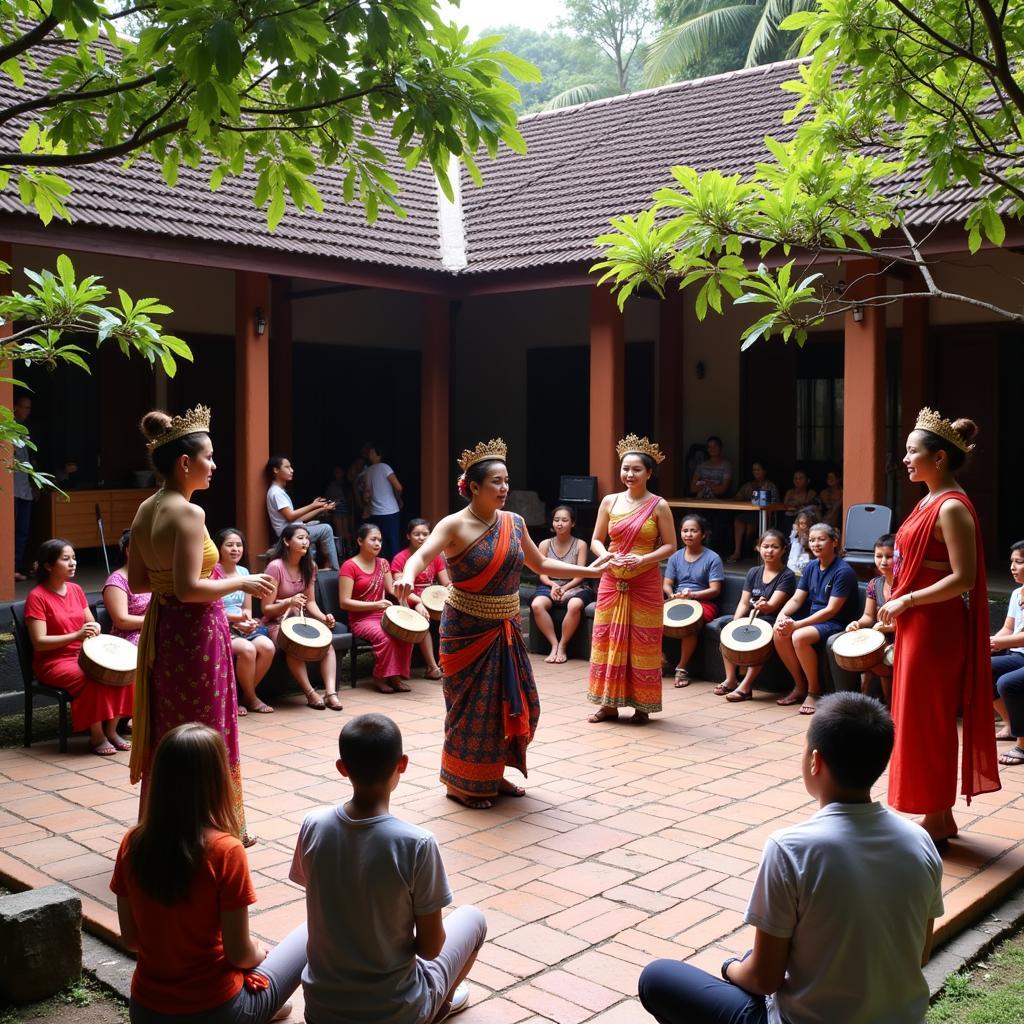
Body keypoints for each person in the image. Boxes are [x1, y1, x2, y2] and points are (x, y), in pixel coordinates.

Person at [638, 693, 944, 1024]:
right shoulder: (920, 841)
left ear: (815, 761)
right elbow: (921, 953)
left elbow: (763, 979)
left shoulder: (790, 848)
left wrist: (730, 968)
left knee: (657, 977)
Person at [393, 438, 609, 809]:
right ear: (473, 487)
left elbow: (540, 566)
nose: (504, 487)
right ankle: (461, 783)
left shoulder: (514, 522)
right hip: (465, 631)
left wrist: (588, 570)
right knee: (469, 711)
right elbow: (421, 556)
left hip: (506, 626)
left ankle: (494, 772)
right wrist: (407, 576)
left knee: (513, 702)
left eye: (506, 480)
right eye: (496, 481)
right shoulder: (453, 525)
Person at [129, 406, 275, 839]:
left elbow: (139, 579)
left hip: (163, 629)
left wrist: (174, 588)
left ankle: (168, 822)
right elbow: (191, 588)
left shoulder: (145, 509)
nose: (214, 465)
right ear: (184, 463)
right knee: (208, 724)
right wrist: (242, 582)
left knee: (171, 725)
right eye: (208, 457)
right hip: (195, 632)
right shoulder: (190, 514)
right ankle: (214, 823)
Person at [290, 714, 487, 1024]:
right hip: (396, 1013)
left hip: (322, 1011)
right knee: (474, 919)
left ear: (342, 768)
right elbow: (431, 948)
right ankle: (437, 1007)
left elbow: (322, 894)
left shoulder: (313, 825)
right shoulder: (417, 844)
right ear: (403, 764)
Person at [112, 723, 306, 1024]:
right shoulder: (225, 850)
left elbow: (131, 939)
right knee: (308, 932)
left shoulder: (132, 842)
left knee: (279, 1006)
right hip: (215, 1009)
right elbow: (239, 953)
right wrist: (259, 955)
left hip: (146, 1009)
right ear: (217, 781)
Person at [878, 408, 999, 844]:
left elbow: (963, 577)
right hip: (918, 622)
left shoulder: (951, 507)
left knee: (930, 719)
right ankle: (937, 813)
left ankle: (938, 814)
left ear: (940, 457)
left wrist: (907, 597)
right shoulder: (928, 498)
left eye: (913, 451)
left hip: (936, 626)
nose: (905, 458)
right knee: (915, 718)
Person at [588, 435, 676, 724]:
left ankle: (643, 706)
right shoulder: (609, 502)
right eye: (625, 468)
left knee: (643, 644)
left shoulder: (659, 505)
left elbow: (670, 546)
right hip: (612, 581)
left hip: (645, 582)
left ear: (649, 473)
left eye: (637, 469)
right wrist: (607, 557)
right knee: (606, 640)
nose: (629, 474)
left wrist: (643, 559)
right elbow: (596, 541)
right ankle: (608, 705)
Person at [26, 538, 134, 755]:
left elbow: (89, 621)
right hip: (53, 661)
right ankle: (96, 736)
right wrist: (76, 635)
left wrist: (93, 626)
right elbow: (39, 642)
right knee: (92, 678)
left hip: (83, 654)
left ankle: (112, 731)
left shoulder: (75, 589)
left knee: (122, 672)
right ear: (48, 565)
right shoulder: (37, 597)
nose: (73, 563)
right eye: (66, 559)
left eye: (74, 558)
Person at [773, 523, 857, 716]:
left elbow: (831, 610)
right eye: (812, 540)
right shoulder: (811, 566)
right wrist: (781, 617)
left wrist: (797, 624)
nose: (815, 544)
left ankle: (814, 691)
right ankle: (800, 685)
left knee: (798, 636)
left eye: (821, 539)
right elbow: (796, 598)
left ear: (834, 541)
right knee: (779, 632)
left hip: (836, 623)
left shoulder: (843, 571)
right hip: (814, 619)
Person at [262, 523, 342, 711]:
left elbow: (310, 602)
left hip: (300, 620)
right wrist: (289, 602)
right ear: (286, 541)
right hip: (277, 623)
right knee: (294, 646)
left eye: (307, 538)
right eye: (300, 538)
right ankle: (310, 692)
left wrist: (324, 617)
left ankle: (330, 693)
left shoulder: (310, 566)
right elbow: (267, 609)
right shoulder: (275, 567)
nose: (305, 542)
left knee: (327, 645)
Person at [714, 529, 796, 702]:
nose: (769, 551)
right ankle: (730, 679)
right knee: (725, 626)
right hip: (752, 617)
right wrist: (735, 622)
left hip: (771, 619)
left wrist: (765, 605)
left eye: (774, 547)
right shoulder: (753, 572)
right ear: (758, 548)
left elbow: (773, 605)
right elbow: (744, 603)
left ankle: (746, 686)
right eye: (765, 546)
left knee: (758, 637)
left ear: (783, 550)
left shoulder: (786, 575)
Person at [339, 523, 414, 694]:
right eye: (373, 539)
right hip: (361, 619)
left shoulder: (383, 563)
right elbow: (344, 602)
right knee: (386, 637)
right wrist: (375, 605)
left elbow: (392, 590)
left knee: (405, 633)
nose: (378, 544)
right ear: (360, 541)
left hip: (383, 615)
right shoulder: (349, 566)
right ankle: (380, 677)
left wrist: (404, 587)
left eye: (379, 540)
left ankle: (395, 677)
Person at [215, 528, 277, 715]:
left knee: (267, 647)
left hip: (242, 625)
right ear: (219, 548)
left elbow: (247, 608)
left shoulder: (244, 572)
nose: (235, 549)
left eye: (239, 545)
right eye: (230, 545)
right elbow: (213, 610)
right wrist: (237, 621)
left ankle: (241, 696)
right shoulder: (213, 573)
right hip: (222, 625)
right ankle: (250, 697)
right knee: (248, 650)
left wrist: (247, 621)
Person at [662, 514, 724, 688]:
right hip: (677, 600)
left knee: (690, 624)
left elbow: (715, 590)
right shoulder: (675, 557)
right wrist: (671, 594)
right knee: (649, 618)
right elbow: (667, 584)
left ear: (703, 534)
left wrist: (693, 595)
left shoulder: (713, 558)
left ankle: (681, 668)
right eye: (685, 530)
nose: (688, 534)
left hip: (702, 602)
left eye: (693, 531)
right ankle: (660, 659)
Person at [529, 505, 595, 664]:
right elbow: (541, 571)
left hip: (575, 586)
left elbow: (581, 573)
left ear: (572, 523)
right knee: (537, 605)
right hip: (550, 584)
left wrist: (565, 588)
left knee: (574, 605)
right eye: (556, 520)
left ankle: (563, 646)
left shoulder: (580, 544)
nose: (559, 524)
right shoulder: (544, 544)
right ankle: (554, 644)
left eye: (564, 520)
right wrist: (553, 586)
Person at [390, 518, 451, 680]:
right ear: (408, 536)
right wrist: (418, 602)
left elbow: (446, 583)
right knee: (422, 616)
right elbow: (401, 587)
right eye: (416, 534)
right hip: (409, 598)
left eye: (425, 534)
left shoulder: (436, 557)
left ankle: (450, 662)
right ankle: (432, 667)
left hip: (432, 599)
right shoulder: (400, 558)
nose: (421, 538)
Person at [843, 534, 895, 703]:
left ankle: (889, 703)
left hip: (902, 636)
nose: (883, 561)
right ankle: (870, 700)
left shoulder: (907, 584)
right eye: (879, 556)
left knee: (882, 657)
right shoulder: (875, 584)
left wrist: (890, 628)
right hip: (882, 636)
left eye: (890, 556)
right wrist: (857, 623)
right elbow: (868, 616)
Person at [265, 455, 338, 570]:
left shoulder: (278, 491)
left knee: (318, 524)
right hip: (288, 533)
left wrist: (321, 508)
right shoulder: (276, 493)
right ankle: (334, 568)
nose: (291, 470)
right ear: (276, 470)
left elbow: (298, 518)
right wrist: (312, 505)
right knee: (326, 529)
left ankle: (327, 566)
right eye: (287, 467)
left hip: (294, 528)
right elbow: (290, 516)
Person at [992, 540, 1024, 769]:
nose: (1013, 567)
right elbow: (1008, 629)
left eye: (1019, 562)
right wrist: (990, 642)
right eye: (1012, 562)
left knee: (1008, 683)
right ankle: (1013, 726)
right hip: (1018, 654)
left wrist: (996, 641)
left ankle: (1023, 743)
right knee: (980, 669)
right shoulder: (1016, 594)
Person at [104, 530, 152, 646]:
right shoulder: (116, 581)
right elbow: (122, 620)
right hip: (129, 637)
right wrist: (154, 621)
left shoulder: (153, 575)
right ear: (128, 551)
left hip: (151, 629)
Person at [728, 461, 780, 563]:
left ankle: (751, 552)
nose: (756, 472)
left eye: (758, 470)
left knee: (750, 526)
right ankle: (737, 551)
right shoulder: (748, 485)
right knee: (739, 520)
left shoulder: (770, 486)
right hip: (749, 513)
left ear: (764, 471)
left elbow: (775, 502)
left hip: (764, 515)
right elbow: (737, 497)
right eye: (754, 470)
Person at [362, 444, 403, 560]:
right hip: (390, 510)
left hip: (376, 512)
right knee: (393, 541)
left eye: (372, 452)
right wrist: (397, 498)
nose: (369, 455)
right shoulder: (385, 467)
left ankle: (381, 570)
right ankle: (395, 569)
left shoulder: (368, 471)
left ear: (378, 454)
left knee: (379, 543)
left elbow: (367, 494)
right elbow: (399, 487)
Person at [12, 393, 34, 581]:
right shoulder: (8, 429)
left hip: (24, 489)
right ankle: (10, 569)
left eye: (29, 408)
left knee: (23, 531)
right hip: (11, 490)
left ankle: (17, 567)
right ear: (15, 407)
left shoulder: (24, 429)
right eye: (24, 407)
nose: (27, 411)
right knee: (12, 530)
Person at [324, 464, 353, 558]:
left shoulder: (345, 485)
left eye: (339, 472)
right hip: (338, 508)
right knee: (341, 531)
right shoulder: (333, 485)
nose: (337, 474)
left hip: (341, 508)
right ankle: (344, 552)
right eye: (336, 472)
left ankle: (346, 551)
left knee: (343, 531)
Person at [786, 505, 815, 576]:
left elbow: (808, 546)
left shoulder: (811, 533)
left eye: (805, 523)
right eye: (801, 523)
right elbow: (792, 540)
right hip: (793, 560)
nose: (804, 525)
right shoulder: (796, 533)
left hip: (804, 559)